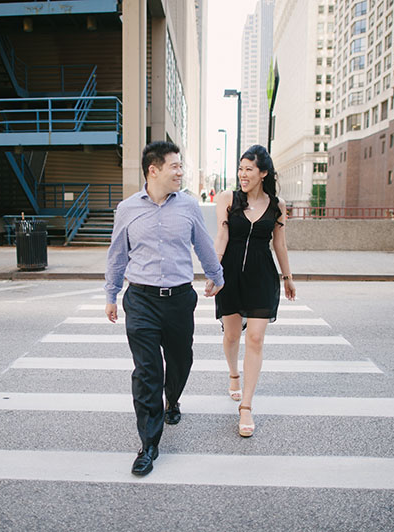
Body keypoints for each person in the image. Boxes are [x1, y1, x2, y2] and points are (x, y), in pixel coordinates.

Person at [105, 141, 224, 476]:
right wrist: (111, 294)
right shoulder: (127, 209)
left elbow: (203, 243)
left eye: (181, 165)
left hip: (179, 298)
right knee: (146, 372)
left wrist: (216, 276)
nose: (180, 172)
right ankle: (149, 444)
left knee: (180, 359)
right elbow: (117, 255)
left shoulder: (188, 206)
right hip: (140, 299)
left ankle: (173, 399)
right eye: (174, 166)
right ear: (153, 170)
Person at [213, 145, 295, 438]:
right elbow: (221, 236)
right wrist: (213, 272)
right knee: (232, 334)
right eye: (240, 168)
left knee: (256, 338)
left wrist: (287, 277)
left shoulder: (277, 205)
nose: (243, 174)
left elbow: (280, 244)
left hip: (262, 276)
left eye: (249, 169)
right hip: (230, 275)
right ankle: (234, 374)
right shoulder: (227, 199)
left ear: (263, 173)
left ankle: (246, 406)